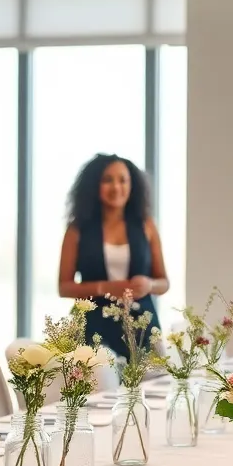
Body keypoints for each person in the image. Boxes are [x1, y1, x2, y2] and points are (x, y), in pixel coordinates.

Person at [58, 153, 169, 357]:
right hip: (94, 327)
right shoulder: (77, 230)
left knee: (151, 386)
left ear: (132, 185)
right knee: (100, 385)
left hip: (143, 325)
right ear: (94, 186)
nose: (116, 187)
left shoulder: (146, 225)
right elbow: (64, 287)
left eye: (123, 180)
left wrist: (149, 285)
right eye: (107, 180)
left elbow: (164, 282)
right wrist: (105, 288)